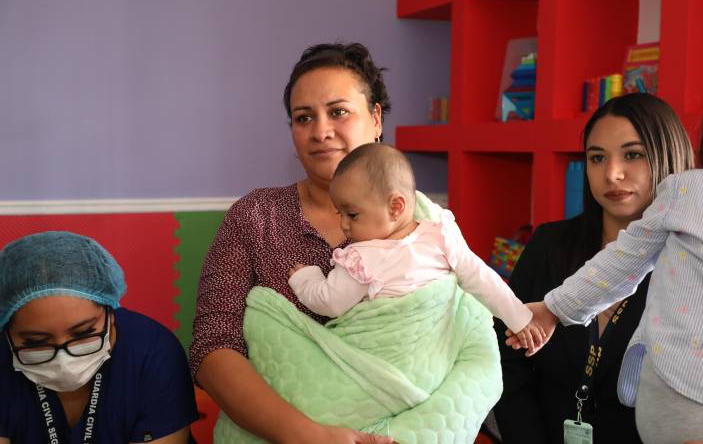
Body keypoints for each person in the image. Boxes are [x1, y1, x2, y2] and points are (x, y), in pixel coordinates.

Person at [190, 43, 502, 444]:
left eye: (338, 112)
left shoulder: (425, 221)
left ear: (376, 119)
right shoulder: (256, 217)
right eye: (304, 118)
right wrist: (309, 436)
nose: (320, 131)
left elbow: (475, 348)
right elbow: (213, 347)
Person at [519, 85, 703, 443]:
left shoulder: (690, 262)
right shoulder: (548, 245)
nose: (612, 173)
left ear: (667, 154)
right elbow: (507, 363)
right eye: (597, 158)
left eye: (633, 155)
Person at [289, 142, 544, 351]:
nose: (344, 225)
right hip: (414, 349)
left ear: (396, 207)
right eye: (340, 214)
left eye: (352, 214)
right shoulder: (438, 235)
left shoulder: (361, 259)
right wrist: (519, 318)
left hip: (409, 347)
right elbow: (482, 277)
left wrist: (305, 278)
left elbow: (330, 302)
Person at [0, 231, 198, 443]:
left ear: (110, 313)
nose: (63, 359)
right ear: (6, 331)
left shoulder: (152, 353)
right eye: (36, 342)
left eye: (84, 332)